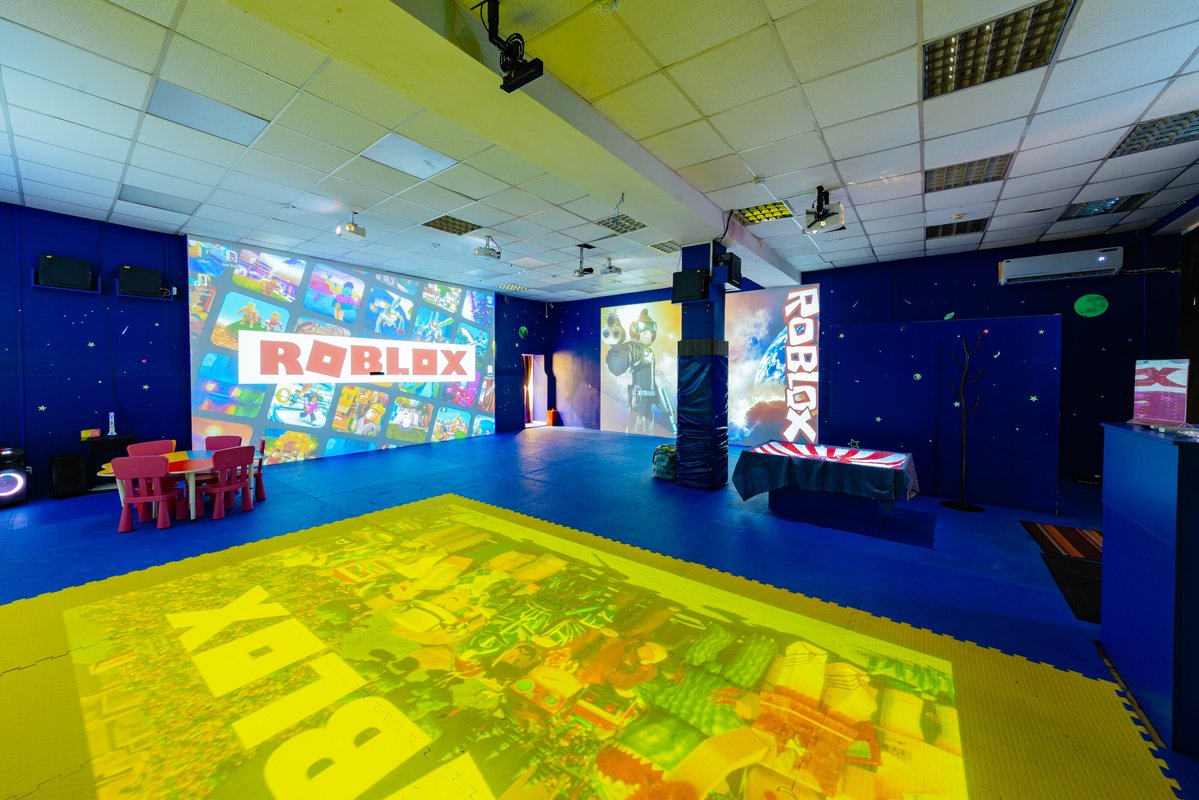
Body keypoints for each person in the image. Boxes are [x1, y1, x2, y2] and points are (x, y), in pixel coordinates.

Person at [604, 307, 677, 435]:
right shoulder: (633, 347)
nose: (648, 334)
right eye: (644, 329)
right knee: (637, 428)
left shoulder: (649, 352)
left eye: (651, 329)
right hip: (638, 401)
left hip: (648, 401)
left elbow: (650, 378)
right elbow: (617, 367)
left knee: (647, 428)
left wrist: (659, 396)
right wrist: (617, 345)